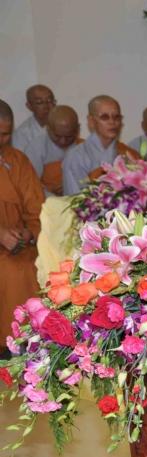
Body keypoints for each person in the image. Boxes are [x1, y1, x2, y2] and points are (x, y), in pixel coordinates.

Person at [0, 99, 45, 342]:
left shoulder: (18, 161)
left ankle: (32, 342)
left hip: (19, 246)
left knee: (35, 266)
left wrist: (28, 233)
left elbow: (36, 211)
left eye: (5, 135)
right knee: (11, 271)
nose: (0, 141)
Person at [62, 95, 139, 195]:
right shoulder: (76, 157)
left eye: (116, 117)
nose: (112, 122)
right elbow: (75, 198)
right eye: (105, 117)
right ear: (91, 121)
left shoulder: (128, 155)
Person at [23, 105, 81, 195]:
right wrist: (50, 192)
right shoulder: (36, 148)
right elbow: (29, 185)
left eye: (69, 136)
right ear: (48, 129)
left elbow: (93, 182)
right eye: (57, 136)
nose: (63, 141)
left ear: (77, 129)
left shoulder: (84, 147)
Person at [12, 84, 55, 152]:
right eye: (39, 102)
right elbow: (18, 158)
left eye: (49, 101)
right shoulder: (22, 134)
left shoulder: (63, 126)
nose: (46, 106)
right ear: (29, 106)